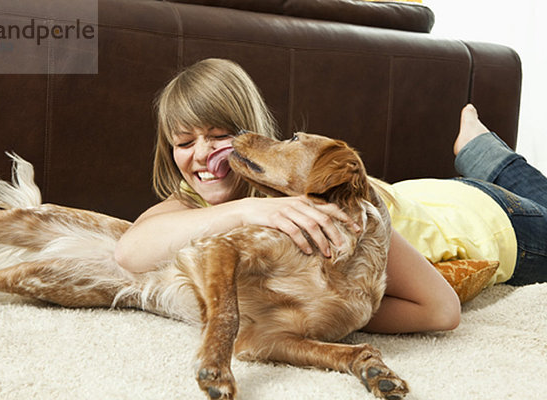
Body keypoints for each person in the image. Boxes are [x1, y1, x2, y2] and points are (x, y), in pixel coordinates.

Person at [116, 58, 544, 335]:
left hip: (493, 222)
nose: (202, 154)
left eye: (218, 135)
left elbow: (439, 310)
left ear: (249, 133)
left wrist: (317, 310)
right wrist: (246, 210)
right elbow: (131, 251)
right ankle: (481, 154)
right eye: (184, 141)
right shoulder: (196, 202)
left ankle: (485, 155)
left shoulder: (329, 209)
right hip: (422, 194)